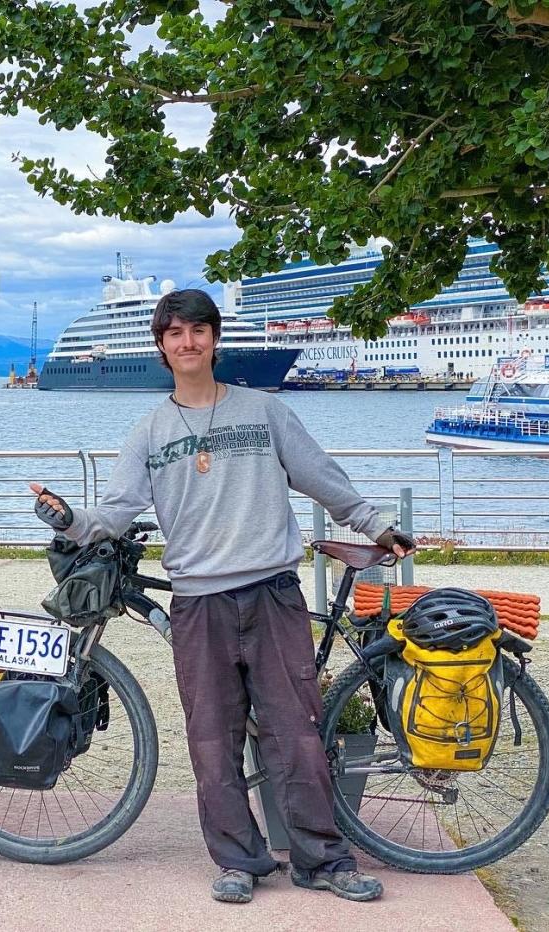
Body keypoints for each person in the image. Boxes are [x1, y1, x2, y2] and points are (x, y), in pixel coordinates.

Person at [30, 289, 415, 905]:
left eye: (198, 331)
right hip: (199, 604)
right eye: (175, 333)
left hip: (272, 593)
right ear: (161, 345)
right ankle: (239, 860)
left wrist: (374, 524)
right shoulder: (150, 430)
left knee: (297, 731)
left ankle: (322, 858)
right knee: (212, 737)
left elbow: (321, 477)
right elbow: (118, 510)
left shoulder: (265, 412)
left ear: (214, 339)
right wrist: (70, 521)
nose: (188, 343)